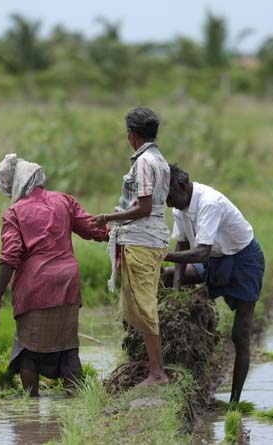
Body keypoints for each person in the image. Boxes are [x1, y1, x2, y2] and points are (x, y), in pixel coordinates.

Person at [0, 154, 109, 396]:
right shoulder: (64, 200)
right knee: (68, 348)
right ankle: (77, 403)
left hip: (36, 286)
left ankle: (30, 408)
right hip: (67, 283)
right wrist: (121, 232)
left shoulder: (14, 212)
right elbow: (92, 228)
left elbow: (9, 257)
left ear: (16, 184)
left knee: (28, 352)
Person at [162, 164, 265, 404]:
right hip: (215, 258)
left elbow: (201, 253)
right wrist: (177, 291)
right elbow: (182, 244)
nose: (168, 204)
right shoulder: (181, 206)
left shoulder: (209, 202)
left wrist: (162, 255)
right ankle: (178, 343)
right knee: (166, 277)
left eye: (170, 198)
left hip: (243, 260)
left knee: (240, 335)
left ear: (183, 187)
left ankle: (234, 403)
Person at [90, 107, 171, 386]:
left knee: (145, 307)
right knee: (142, 304)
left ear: (131, 134)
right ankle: (151, 366)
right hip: (153, 239)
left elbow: (144, 207)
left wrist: (108, 218)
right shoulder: (160, 159)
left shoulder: (144, 163)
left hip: (143, 241)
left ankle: (157, 373)